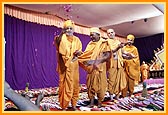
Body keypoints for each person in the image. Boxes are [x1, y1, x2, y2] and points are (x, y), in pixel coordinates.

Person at [53, 20, 82, 111]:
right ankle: (64, 106)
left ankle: (73, 105)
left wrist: (78, 53)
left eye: (71, 28)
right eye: (67, 28)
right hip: (64, 67)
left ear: (73, 30)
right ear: (64, 29)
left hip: (74, 67)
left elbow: (80, 51)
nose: (69, 30)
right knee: (64, 86)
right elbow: (59, 48)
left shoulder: (77, 40)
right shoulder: (61, 38)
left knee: (75, 85)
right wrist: (61, 35)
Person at [78, 27, 109, 108]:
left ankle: (99, 102)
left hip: (100, 69)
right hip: (91, 69)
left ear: (98, 35)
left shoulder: (104, 43)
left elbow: (107, 56)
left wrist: (94, 62)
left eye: (93, 35)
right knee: (90, 85)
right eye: (90, 36)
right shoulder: (90, 44)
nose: (91, 37)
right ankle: (91, 102)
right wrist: (80, 55)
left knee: (101, 86)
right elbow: (86, 55)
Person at [106, 29, 127, 100]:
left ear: (114, 33)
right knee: (112, 79)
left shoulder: (118, 41)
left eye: (112, 32)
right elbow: (111, 51)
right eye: (109, 33)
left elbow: (123, 52)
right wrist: (118, 47)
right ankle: (111, 96)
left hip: (119, 63)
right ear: (107, 35)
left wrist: (129, 55)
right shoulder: (107, 42)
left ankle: (117, 95)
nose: (110, 34)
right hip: (112, 63)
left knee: (119, 80)